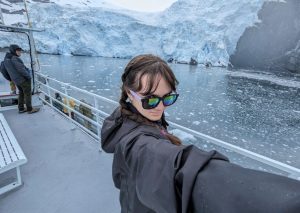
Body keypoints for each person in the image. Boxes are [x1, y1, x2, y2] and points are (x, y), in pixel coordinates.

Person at [101, 54, 300, 213]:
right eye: (150, 100)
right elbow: (169, 162)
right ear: (129, 93)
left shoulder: (126, 117)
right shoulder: (138, 143)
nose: (160, 107)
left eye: (168, 98)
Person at [1, 44, 39, 113]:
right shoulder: (14, 58)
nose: (19, 52)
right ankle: (30, 109)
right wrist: (28, 76)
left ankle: (21, 108)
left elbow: (3, 70)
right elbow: (21, 69)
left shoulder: (6, 59)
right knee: (28, 93)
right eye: (18, 51)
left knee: (21, 93)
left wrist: (11, 79)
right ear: (13, 51)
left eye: (20, 51)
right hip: (23, 79)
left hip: (16, 80)